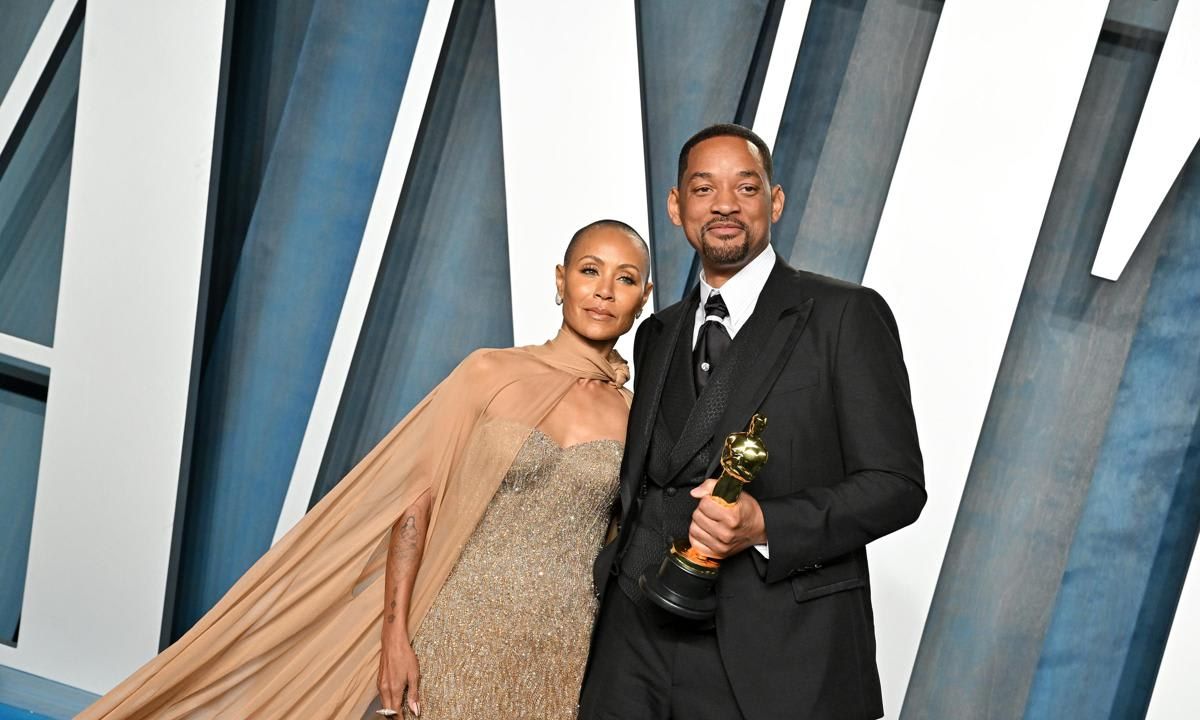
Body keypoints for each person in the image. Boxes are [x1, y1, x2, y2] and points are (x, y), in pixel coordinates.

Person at [78, 219, 652, 719]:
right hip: (453, 628)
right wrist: (394, 632)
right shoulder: (488, 373)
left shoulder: (637, 417)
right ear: (560, 280)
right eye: (589, 271)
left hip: (561, 647)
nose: (603, 291)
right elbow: (416, 504)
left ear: (642, 298)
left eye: (624, 279)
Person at [579, 124, 925, 720]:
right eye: (703, 188)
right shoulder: (655, 333)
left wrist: (765, 523)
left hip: (776, 655)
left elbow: (896, 486)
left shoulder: (846, 316)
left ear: (776, 201)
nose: (724, 205)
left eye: (745, 187)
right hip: (633, 643)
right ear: (676, 206)